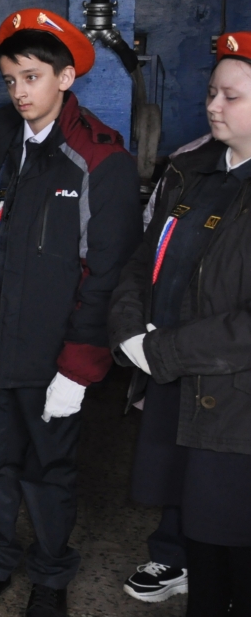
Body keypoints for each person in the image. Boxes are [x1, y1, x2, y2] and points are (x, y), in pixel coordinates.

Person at [0, 10, 141, 617]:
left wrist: (79, 365)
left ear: (65, 78)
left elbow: (106, 272)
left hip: (51, 353)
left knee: (49, 470)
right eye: (10, 79)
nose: (19, 92)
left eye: (31, 77)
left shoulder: (99, 157)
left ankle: (52, 577)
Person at [110, 30, 251, 617]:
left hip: (237, 407)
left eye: (232, 97)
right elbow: (144, 259)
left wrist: (162, 350)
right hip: (180, 391)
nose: (213, 107)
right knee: (198, 536)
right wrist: (127, 331)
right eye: (212, 93)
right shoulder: (190, 171)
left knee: (234, 547)